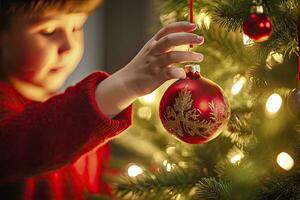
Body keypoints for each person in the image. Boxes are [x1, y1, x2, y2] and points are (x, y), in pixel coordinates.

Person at [0, 0, 204, 199]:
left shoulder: (71, 118)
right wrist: (123, 86)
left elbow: (95, 187)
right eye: (49, 31)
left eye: (77, 28)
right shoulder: (62, 119)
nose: (69, 46)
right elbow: (19, 143)